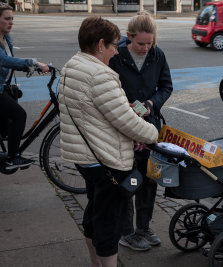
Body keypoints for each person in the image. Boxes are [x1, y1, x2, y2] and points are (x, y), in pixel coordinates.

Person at [58, 16, 159, 267]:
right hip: (106, 161)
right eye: (115, 45)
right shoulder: (100, 74)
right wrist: (152, 135)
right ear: (101, 44)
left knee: (94, 214)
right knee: (109, 224)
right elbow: (125, 120)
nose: (117, 51)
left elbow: (99, 116)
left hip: (87, 157)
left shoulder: (73, 65)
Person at [109, 10, 173, 251]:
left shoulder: (158, 55)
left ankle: (143, 227)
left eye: (150, 42)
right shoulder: (116, 57)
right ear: (128, 37)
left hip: (149, 126)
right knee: (128, 180)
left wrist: (151, 103)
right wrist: (127, 109)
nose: (146, 48)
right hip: (124, 128)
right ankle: (126, 232)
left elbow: (166, 86)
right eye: (141, 43)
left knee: (148, 180)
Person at [0, 3, 49, 170]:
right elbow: (5, 61)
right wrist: (32, 63)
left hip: (3, 87)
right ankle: (13, 158)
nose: (11, 22)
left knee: (6, 125)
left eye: (12, 18)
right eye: (7, 19)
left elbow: (10, 62)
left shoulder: (6, 38)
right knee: (19, 115)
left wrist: (30, 67)